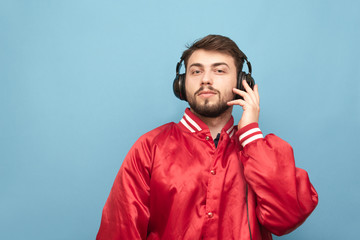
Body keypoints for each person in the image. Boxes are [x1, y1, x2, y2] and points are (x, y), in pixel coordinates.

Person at [96, 34, 318, 240]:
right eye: (196, 71)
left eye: (219, 71)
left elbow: (287, 217)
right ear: (182, 84)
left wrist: (250, 133)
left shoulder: (261, 150)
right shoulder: (150, 146)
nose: (206, 79)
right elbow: (118, 230)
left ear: (242, 83)